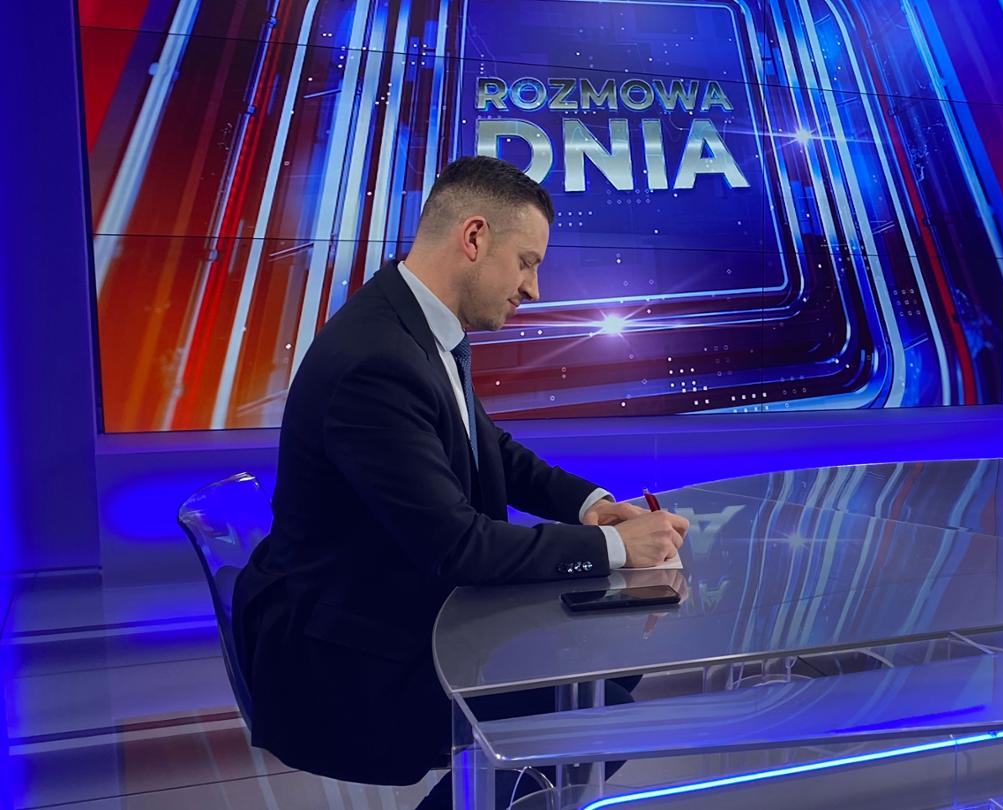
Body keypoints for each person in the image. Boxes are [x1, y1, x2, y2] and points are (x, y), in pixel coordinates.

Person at [231, 156, 689, 799]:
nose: (534, 289)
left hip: (387, 602)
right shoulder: (376, 362)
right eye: (526, 263)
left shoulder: (414, 322)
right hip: (348, 655)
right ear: (474, 238)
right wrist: (615, 547)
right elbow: (457, 546)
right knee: (599, 712)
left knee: (605, 667)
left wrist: (590, 507)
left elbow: (486, 446)